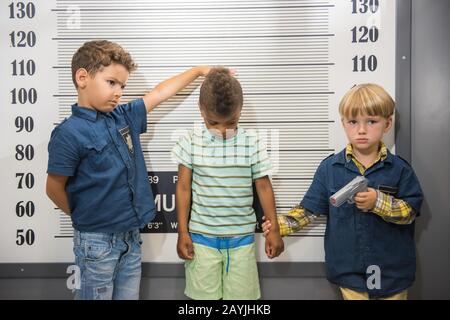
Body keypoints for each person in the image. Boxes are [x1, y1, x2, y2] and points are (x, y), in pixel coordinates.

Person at [46, 39, 211, 300]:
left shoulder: (123, 116)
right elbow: (53, 188)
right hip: (96, 242)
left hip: (131, 238)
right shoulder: (68, 134)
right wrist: (86, 219)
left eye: (122, 85)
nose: (119, 92)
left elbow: (159, 93)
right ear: (82, 78)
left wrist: (198, 71)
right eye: (111, 82)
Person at [263, 84, 424, 300]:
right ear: (343, 123)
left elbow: (410, 212)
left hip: (393, 273)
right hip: (350, 274)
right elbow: (308, 211)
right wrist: (276, 226)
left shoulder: (399, 169)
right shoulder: (330, 169)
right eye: (353, 122)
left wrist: (378, 202)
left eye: (372, 121)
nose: (361, 130)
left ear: (388, 123)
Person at [172, 67, 284, 300]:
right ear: (201, 110)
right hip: (201, 239)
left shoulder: (252, 142)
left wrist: (274, 229)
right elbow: (183, 188)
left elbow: (263, 186)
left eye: (230, 122)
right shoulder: (190, 142)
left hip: (241, 239)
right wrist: (182, 232)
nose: (222, 130)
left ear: (240, 111)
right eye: (214, 122)